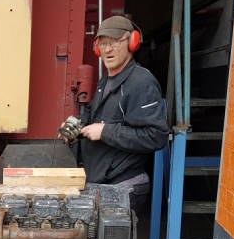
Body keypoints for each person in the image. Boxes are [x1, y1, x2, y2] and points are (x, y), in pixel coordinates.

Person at [66, 16, 169, 213]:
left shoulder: (141, 82)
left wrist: (105, 131)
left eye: (114, 42)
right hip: (103, 184)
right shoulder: (106, 80)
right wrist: (77, 128)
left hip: (124, 187)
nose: (107, 49)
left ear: (132, 42)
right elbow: (99, 120)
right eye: (103, 43)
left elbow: (156, 136)